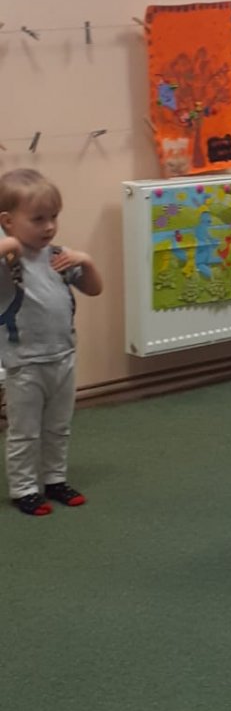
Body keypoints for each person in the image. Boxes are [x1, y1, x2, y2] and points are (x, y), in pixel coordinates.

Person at [0, 167, 102, 516]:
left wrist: (86, 261)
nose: (48, 227)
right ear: (8, 221)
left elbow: (94, 288)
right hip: (25, 363)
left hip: (63, 357)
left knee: (58, 426)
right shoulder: (8, 260)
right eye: (38, 219)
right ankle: (24, 489)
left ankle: (55, 479)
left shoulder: (59, 256)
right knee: (25, 431)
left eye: (54, 217)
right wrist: (9, 243)